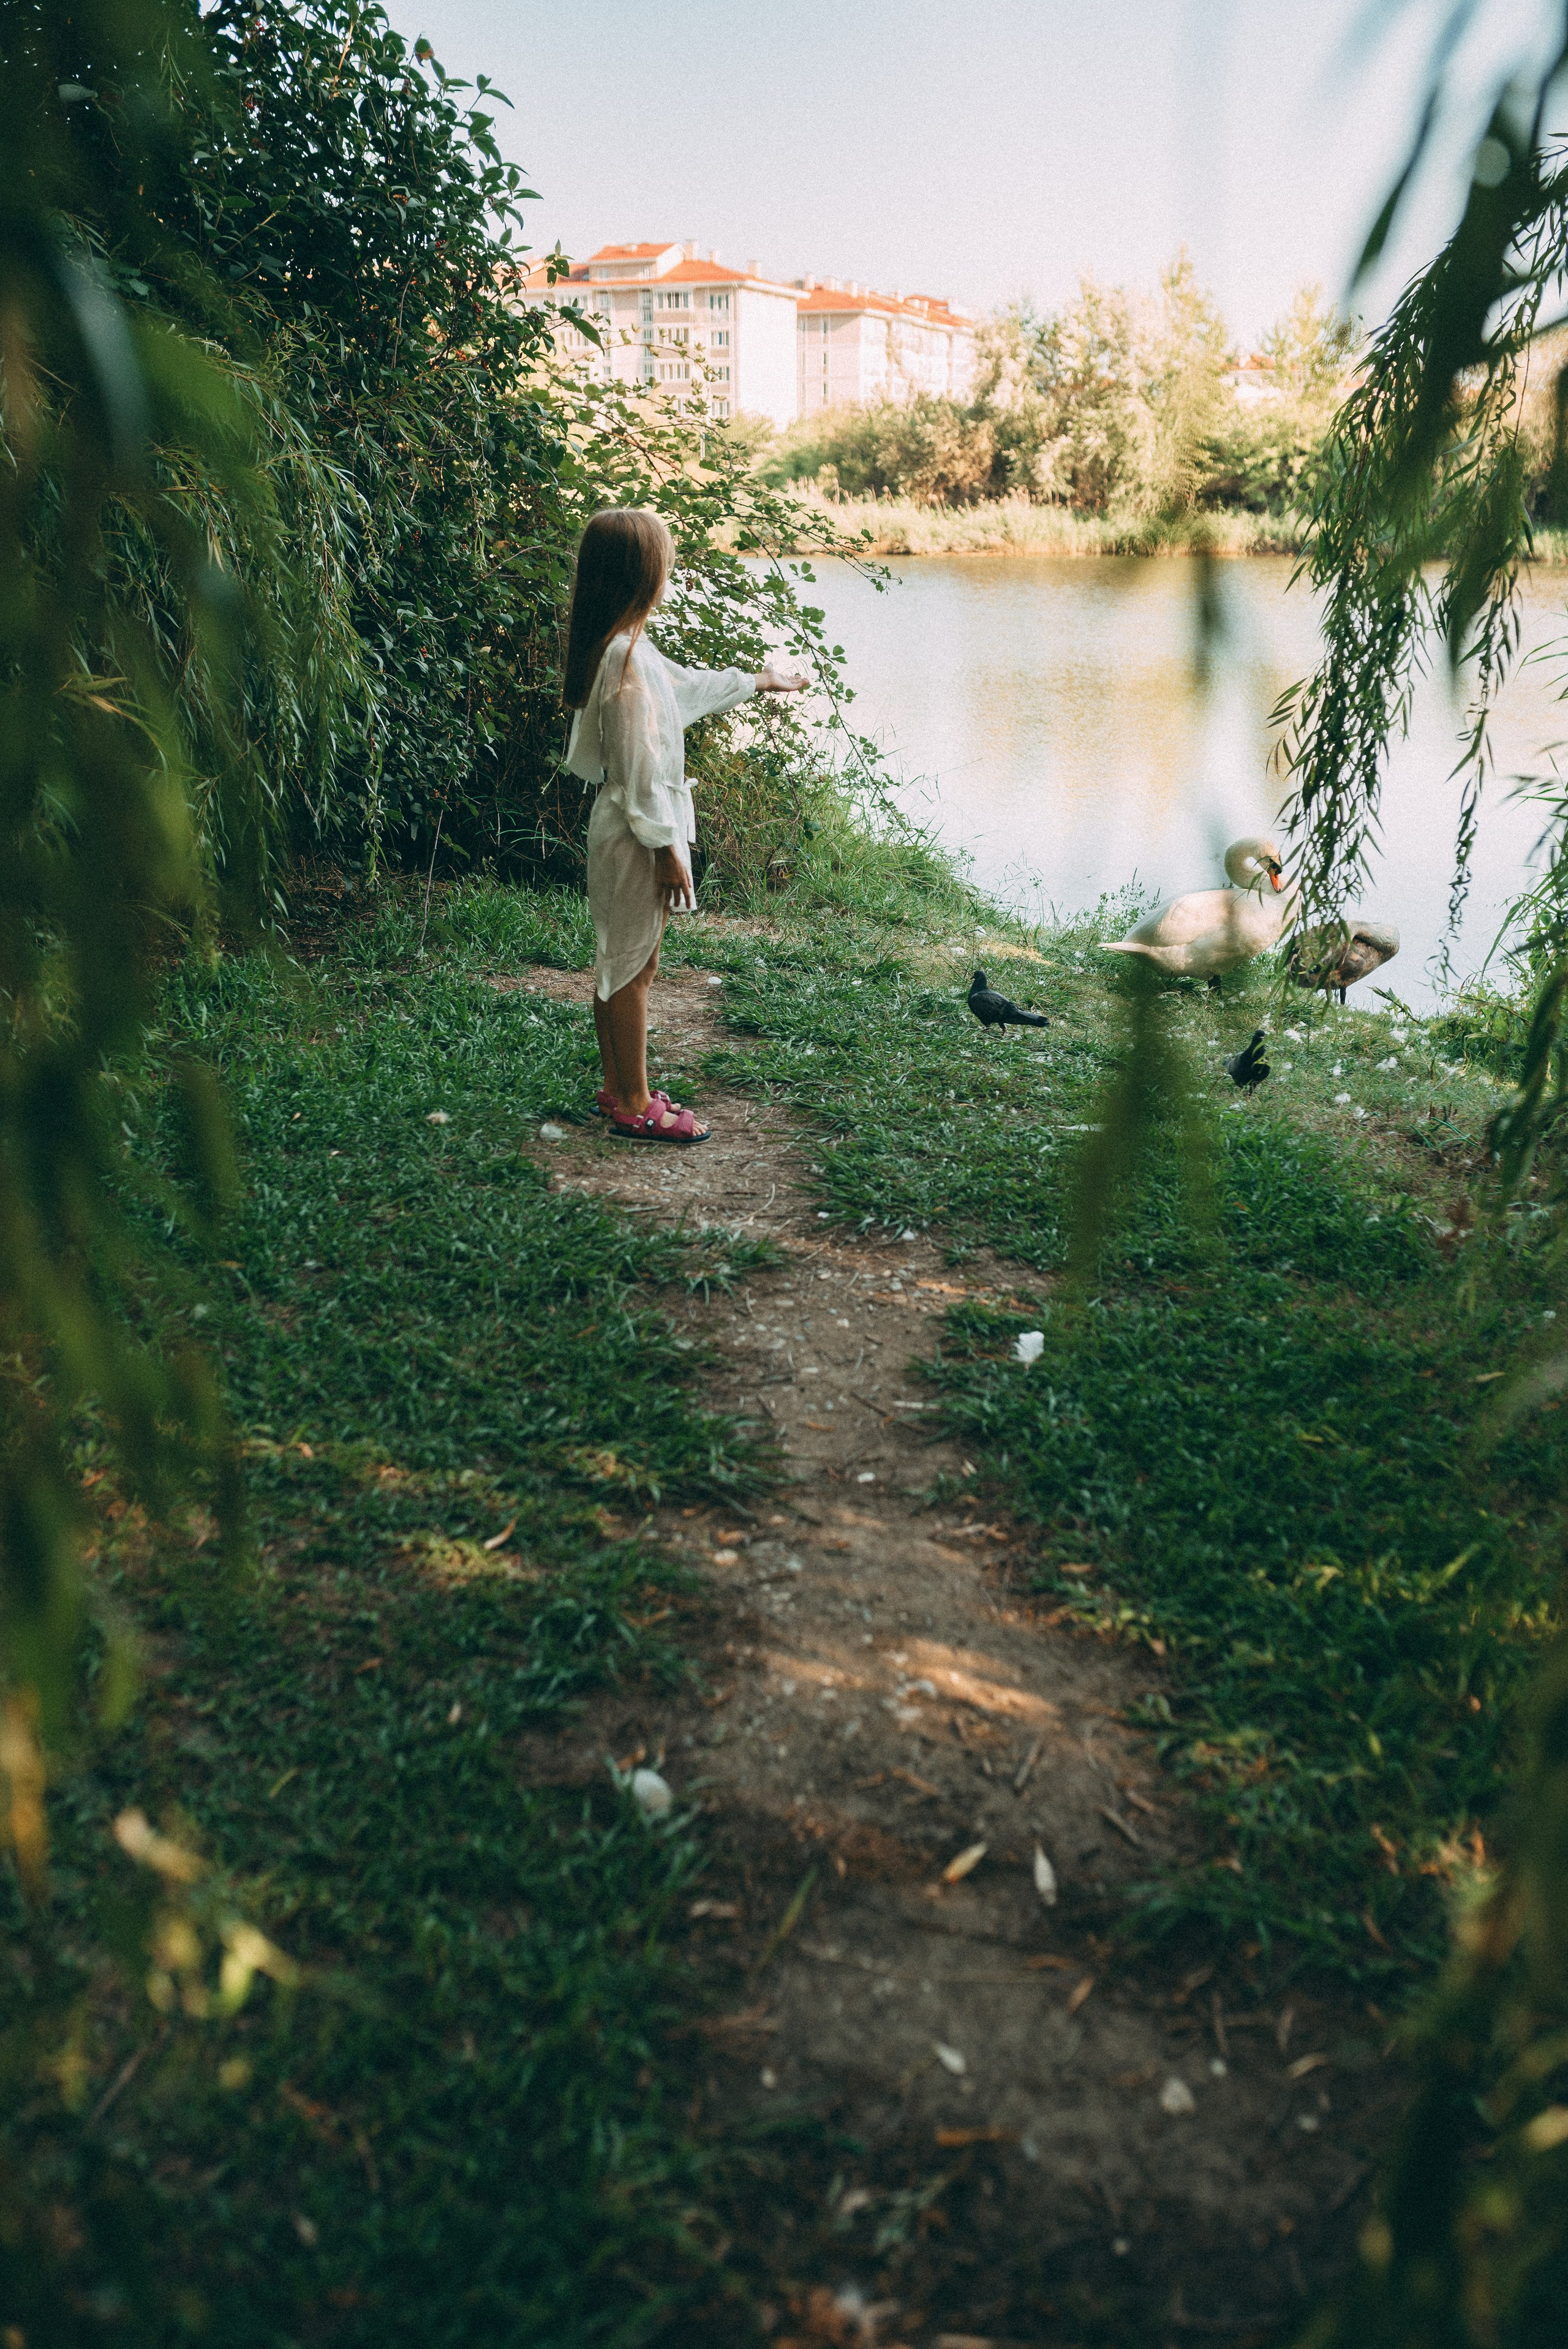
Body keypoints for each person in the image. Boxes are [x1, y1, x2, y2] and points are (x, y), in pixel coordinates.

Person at [561, 507, 806, 1141]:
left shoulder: (631, 650)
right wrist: (667, 849)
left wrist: (760, 680)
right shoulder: (625, 660)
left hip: (632, 827)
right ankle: (636, 1102)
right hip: (638, 834)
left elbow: (688, 687)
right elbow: (641, 773)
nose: (669, 572)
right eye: (663, 562)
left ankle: (619, 1089)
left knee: (624, 963)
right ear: (641, 574)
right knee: (631, 966)